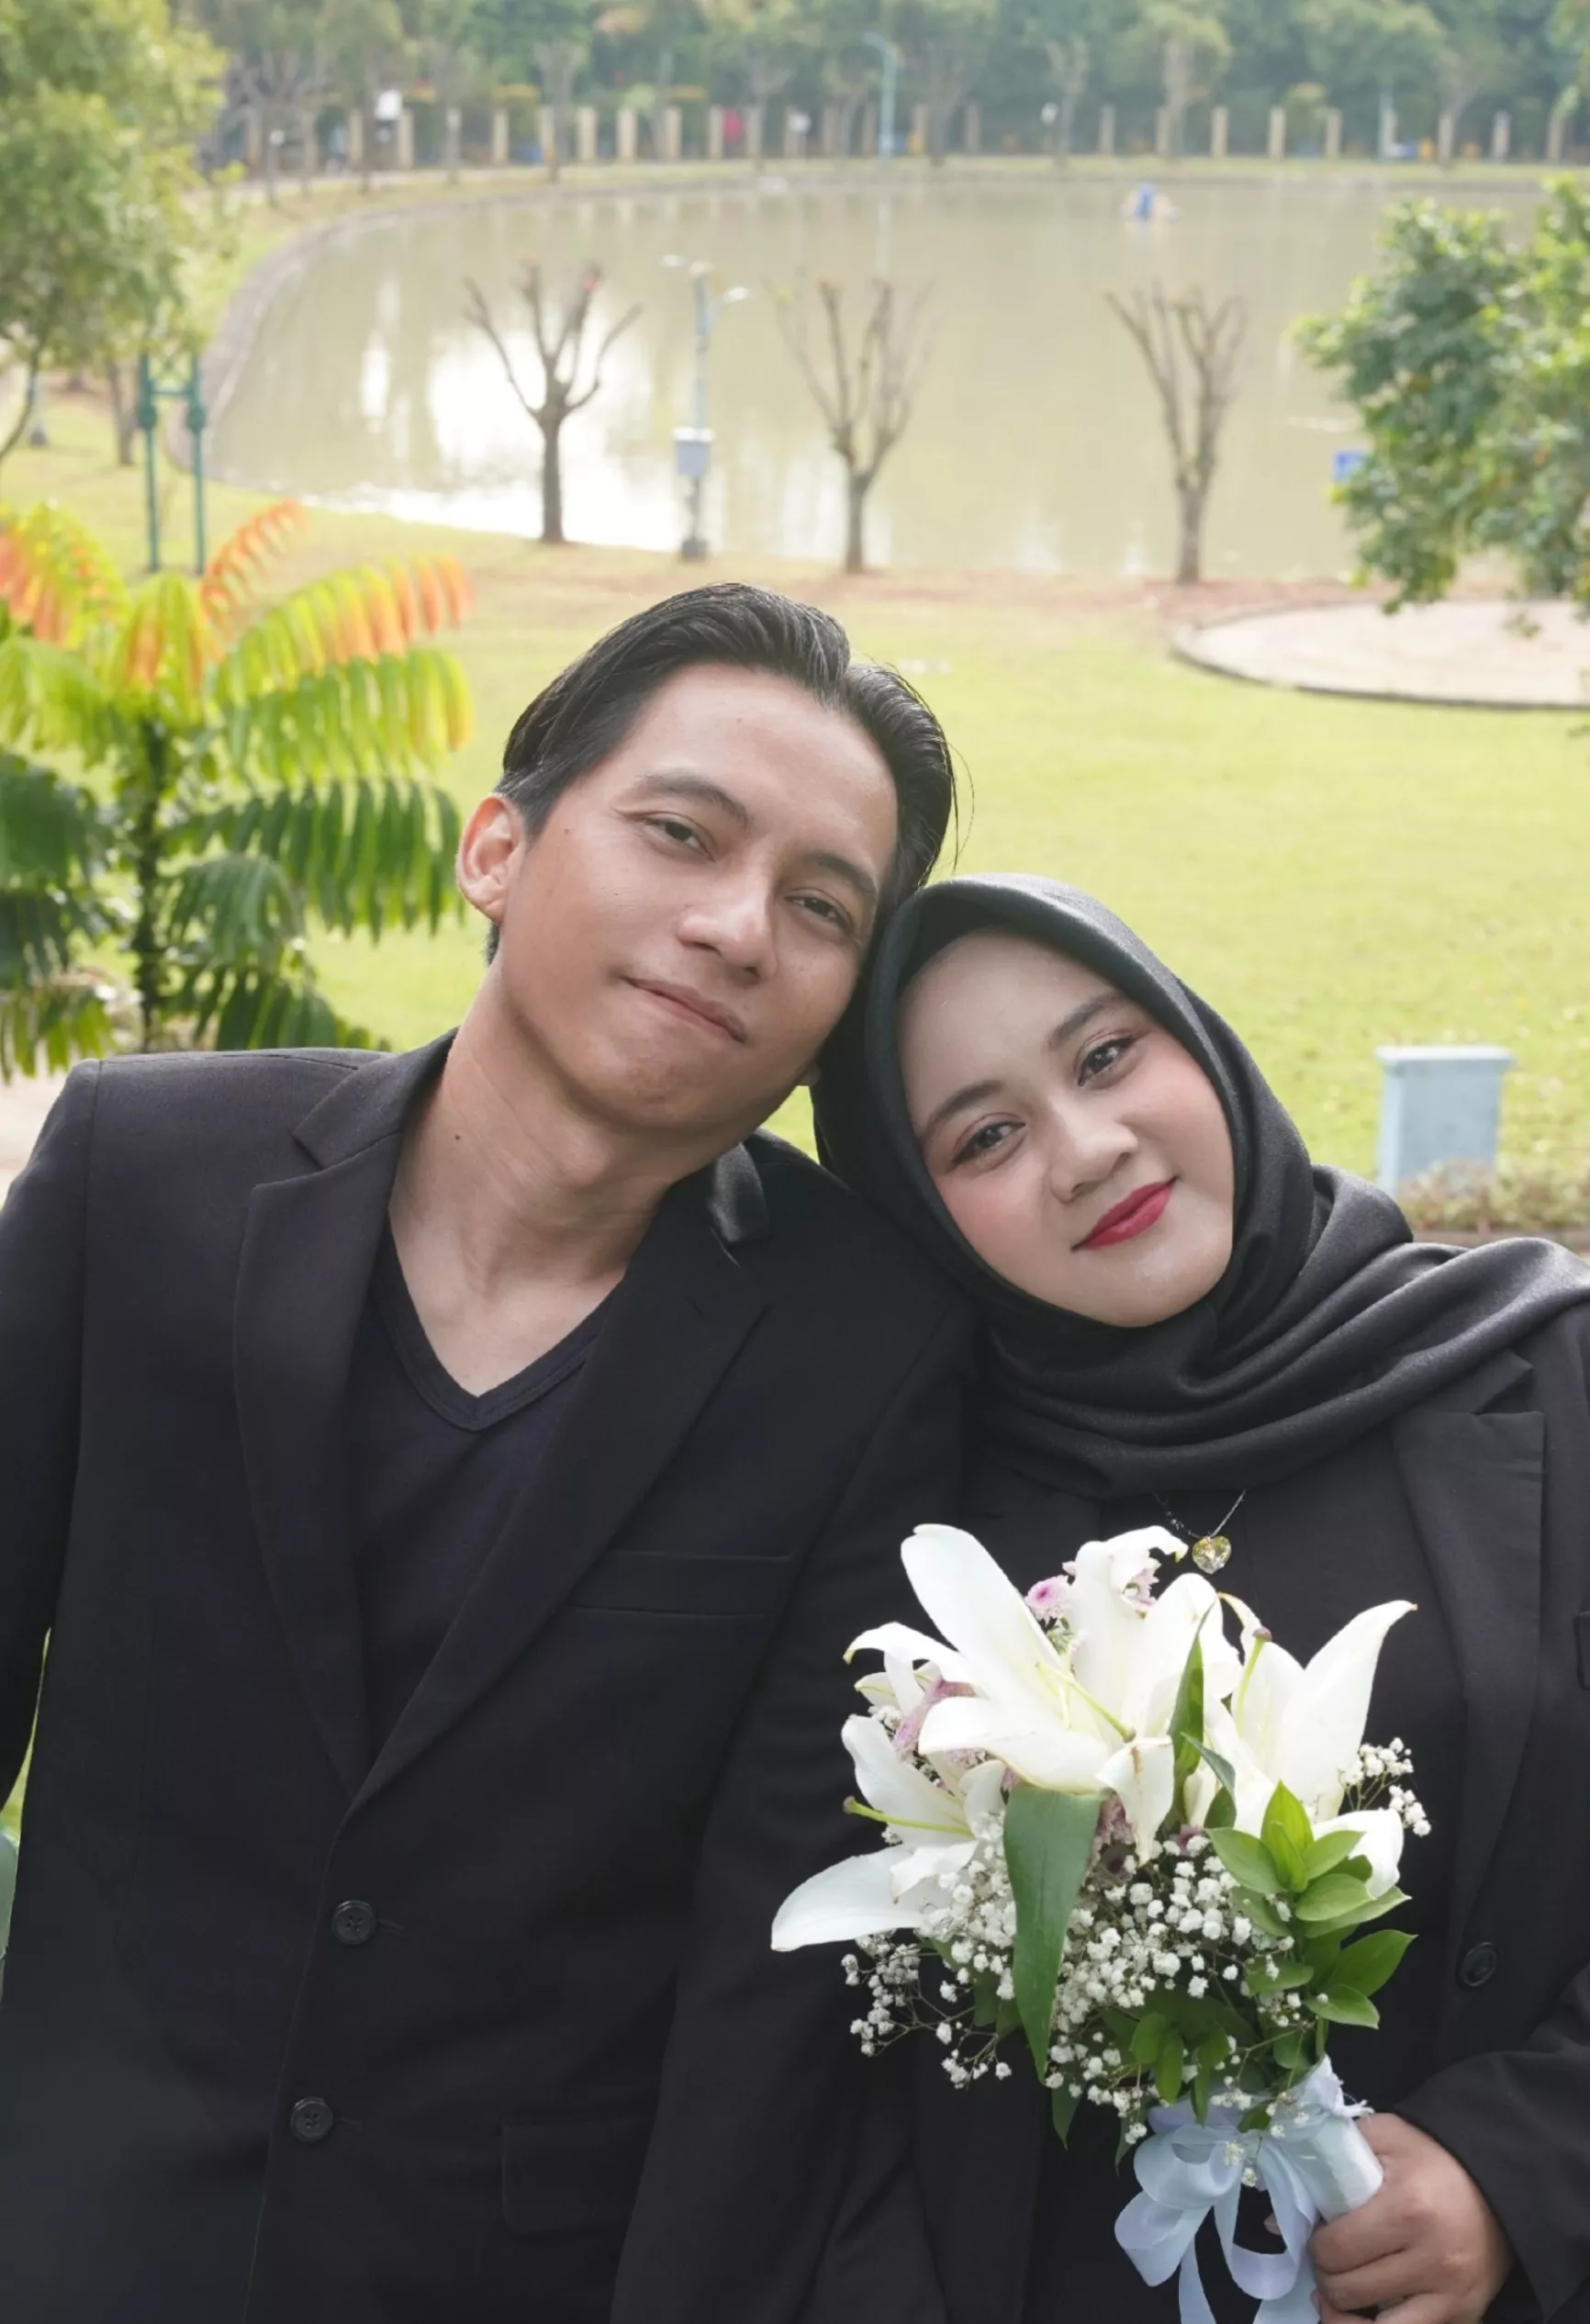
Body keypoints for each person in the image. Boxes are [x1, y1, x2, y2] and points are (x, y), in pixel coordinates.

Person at [0, 584, 973, 2324]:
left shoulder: (866, 1352)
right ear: (498, 849)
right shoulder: (141, 1179)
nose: (738, 928)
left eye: (822, 906)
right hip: (79, 2231)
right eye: (683, 833)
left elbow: (766, 1968)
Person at [812, 872, 1590, 2324]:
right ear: (919, 1213)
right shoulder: (926, 1547)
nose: (1087, 1150)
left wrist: (1520, 2166)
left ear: (1200, 1043)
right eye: (985, 1135)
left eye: (1106, 1055)